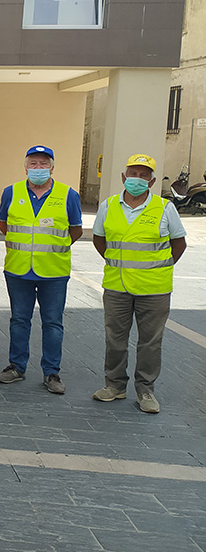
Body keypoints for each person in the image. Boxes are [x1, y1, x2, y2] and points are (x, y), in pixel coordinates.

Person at [92, 153, 186, 414]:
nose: (137, 179)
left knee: (150, 342)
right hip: (116, 286)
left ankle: (145, 390)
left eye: (144, 175)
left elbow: (179, 244)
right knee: (115, 339)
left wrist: (160, 267)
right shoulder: (108, 206)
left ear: (152, 181)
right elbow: (100, 240)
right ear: (124, 177)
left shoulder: (165, 208)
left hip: (154, 289)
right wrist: (119, 262)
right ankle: (114, 385)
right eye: (133, 174)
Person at [0, 145, 83, 394]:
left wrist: (53, 247)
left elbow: (75, 230)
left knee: (53, 323)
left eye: (43, 164)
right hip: (18, 269)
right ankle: (16, 366)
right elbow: (4, 225)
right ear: (25, 167)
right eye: (33, 164)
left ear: (52, 167)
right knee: (19, 320)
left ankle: (51, 373)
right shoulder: (11, 192)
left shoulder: (68, 195)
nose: (38, 168)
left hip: (53, 271)